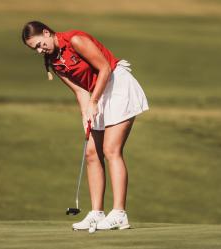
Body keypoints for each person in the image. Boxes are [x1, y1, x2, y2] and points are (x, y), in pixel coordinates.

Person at [21, 21, 149, 231]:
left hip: (117, 85)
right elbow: (81, 91)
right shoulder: (53, 61)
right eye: (34, 48)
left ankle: (119, 213)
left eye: (39, 44)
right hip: (97, 95)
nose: (39, 50)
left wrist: (95, 102)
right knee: (91, 153)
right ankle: (97, 214)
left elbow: (105, 68)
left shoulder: (75, 40)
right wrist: (85, 115)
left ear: (47, 32)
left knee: (111, 149)